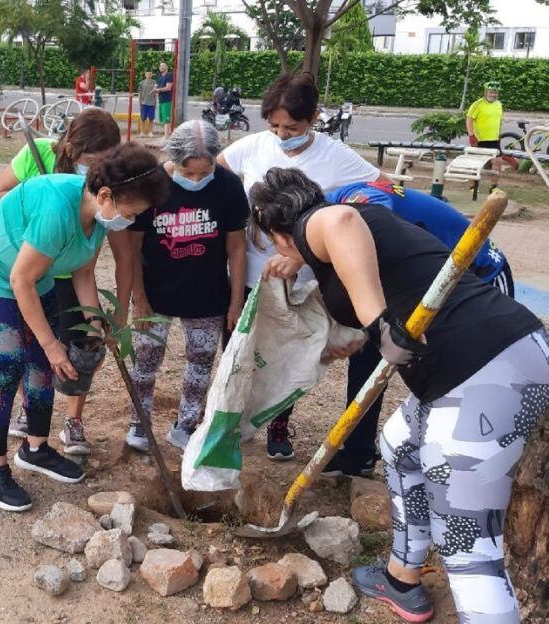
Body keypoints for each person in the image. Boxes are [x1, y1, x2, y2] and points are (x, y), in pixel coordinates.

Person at [250, 166, 546, 624]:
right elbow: (375, 304)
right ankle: (402, 577)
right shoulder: (353, 239)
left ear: (277, 230)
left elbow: (341, 227)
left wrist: (378, 322)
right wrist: (355, 339)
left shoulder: (327, 220)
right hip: (510, 353)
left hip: (480, 376)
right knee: (399, 444)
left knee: (470, 551)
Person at [0, 143, 169, 511]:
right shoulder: (58, 209)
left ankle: (35, 448)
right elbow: (19, 280)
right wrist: (52, 344)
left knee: (43, 366)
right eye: (132, 212)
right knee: (8, 364)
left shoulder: (99, 217)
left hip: (32, 278)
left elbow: (83, 271)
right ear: (106, 195)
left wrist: (98, 324)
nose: (131, 220)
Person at [217, 71, 390, 461]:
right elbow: (217, 173)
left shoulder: (336, 157)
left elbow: (383, 190)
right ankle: (231, 424)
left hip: (304, 277)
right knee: (239, 348)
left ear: (313, 119)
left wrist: (308, 250)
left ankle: (279, 423)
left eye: (292, 127)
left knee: (286, 350)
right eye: (274, 125)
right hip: (251, 270)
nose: (281, 135)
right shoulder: (254, 146)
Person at [319, 181, 514, 477]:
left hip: (478, 276)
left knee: (467, 369)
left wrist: (367, 331)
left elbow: (372, 238)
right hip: (422, 285)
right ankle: (359, 455)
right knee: (371, 362)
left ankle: (480, 458)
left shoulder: (357, 206)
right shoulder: (332, 209)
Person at [0, 108, 127, 456]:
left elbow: (91, 255)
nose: (99, 167)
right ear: (72, 147)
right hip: (35, 269)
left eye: (107, 160)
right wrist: (35, 205)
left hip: (73, 272)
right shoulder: (37, 156)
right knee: (35, 345)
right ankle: (30, 411)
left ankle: (73, 422)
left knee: (81, 347)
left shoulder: (102, 185)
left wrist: (104, 316)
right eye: (94, 159)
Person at [125, 120, 248, 452]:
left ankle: (187, 424)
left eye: (203, 172)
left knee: (201, 362)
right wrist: (139, 298)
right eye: (186, 172)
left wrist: (236, 302)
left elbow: (237, 248)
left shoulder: (228, 186)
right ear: (173, 160)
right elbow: (132, 249)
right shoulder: (150, 186)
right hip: (156, 292)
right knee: (145, 360)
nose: (195, 180)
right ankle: (140, 423)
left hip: (207, 294)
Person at [465, 81, 515, 191]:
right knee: (475, 164)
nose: (493, 94)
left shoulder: (499, 104)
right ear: (486, 92)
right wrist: (471, 135)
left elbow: (498, 121)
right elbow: (469, 119)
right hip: (479, 139)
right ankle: (472, 186)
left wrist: (499, 135)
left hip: (493, 140)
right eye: (491, 92)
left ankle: (493, 187)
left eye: (495, 93)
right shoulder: (478, 104)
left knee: (497, 163)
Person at [155, 62, 174, 138]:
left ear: (167, 67)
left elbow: (168, 87)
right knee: (162, 118)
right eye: (160, 66)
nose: (161, 67)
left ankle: (166, 135)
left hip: (167, 99)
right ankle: (165, 134)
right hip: (161, 99)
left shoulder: (169, 75)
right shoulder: (159, 76)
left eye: (163, 66)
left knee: (166, 118)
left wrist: (158, 90)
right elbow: (155, 87)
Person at [137, 70, 157, 138]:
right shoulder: (141, 83)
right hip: (143, 103)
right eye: (147, 74)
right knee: (143, 119)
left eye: (150, 74)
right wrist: (139, 103)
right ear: (145, 75)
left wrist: (155, 103)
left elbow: (155, 94)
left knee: (151, 119)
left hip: (151, 103)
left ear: (151, 75)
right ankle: (142, 133)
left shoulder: (154, 83)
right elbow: (139, 94)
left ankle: (150, 132)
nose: (148, 75)